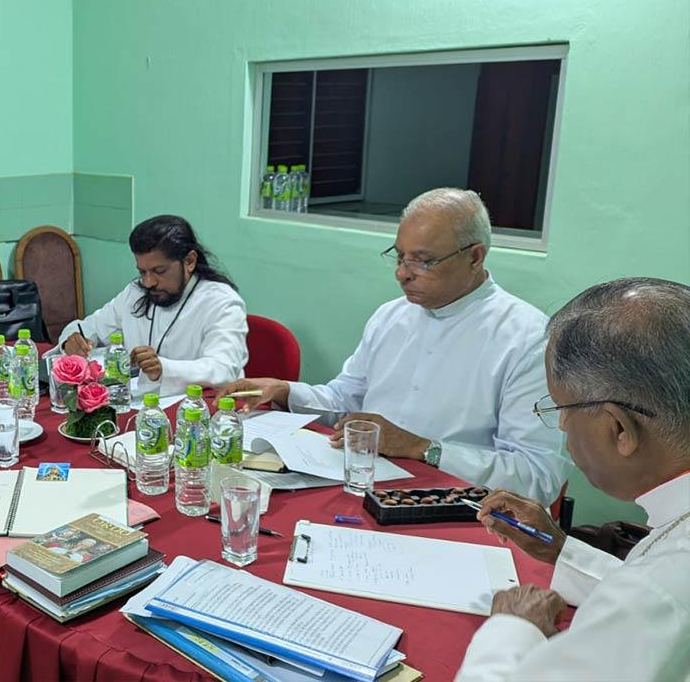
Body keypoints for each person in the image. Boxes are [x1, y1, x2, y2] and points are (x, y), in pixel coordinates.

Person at [217, 189, 566, 503]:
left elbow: (537, 475)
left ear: (475, 257)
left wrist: (423, 449)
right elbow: (346, 401)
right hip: (362, 488)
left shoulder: (527, 338)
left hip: (457, 509)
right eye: (400, 257)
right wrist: (284, 391)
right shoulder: (392, 316)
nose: (402, 273)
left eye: (423, 261)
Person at [456, 277, 690, 681]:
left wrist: (514, 627)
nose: (562, 425)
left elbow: (653, 599)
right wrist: (561, 550)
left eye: (562, 408)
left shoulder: (655, 590)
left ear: (619, 428)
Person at [59, 215, 247, 396]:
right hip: (141, 404)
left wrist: (164, 368)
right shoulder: (136, 293)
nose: (148, 282)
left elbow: (223, 369)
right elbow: (88, 328)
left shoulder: (221, 302)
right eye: (142, 272)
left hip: (200, 407)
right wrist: (71, 342)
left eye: (159, 271)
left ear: (189, 261)